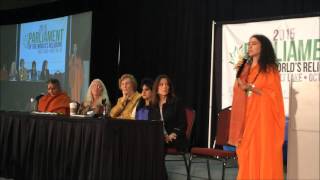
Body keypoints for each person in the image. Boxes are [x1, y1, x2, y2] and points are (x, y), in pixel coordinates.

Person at [229, 34, 285, 179]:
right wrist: (240, 82)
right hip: (247, 117)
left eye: (254, 43)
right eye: (249, 43)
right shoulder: (245, 67)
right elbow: (238, 90)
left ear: (263, 46)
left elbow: (274, 96)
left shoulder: (270, 69)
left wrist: (252, 88)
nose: (250, 46)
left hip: (263, 121)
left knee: (262, 152)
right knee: (246, 152)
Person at [148, 74, 187, 150]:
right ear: (156, 88)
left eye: (167, 84)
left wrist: (173, 134)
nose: (164, 87)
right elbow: (151, 123)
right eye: (161, 85)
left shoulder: (176, 102)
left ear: (169, 87)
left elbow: (183, 124)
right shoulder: (152, 104)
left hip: (175, 137)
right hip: (159, 137)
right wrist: (162, 136)